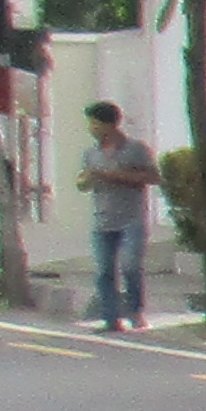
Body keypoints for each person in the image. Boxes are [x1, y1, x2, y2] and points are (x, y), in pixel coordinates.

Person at [77, 99, 156, 329]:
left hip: (131, 219)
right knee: (103, 271)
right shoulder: (91, 153)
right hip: (102, 221)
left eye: (94, 124)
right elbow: (83, 183)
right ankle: (111, 318)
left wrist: (114, 176)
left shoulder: (136, 149)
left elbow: (152, 177)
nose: (91, 129)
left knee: (130, 266)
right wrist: (87, 180)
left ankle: (135, 311)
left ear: (109, 125)